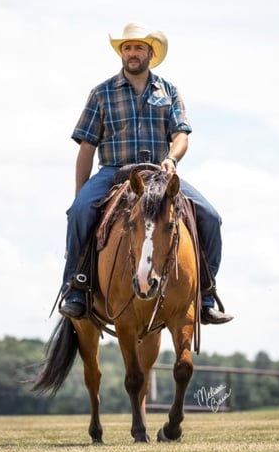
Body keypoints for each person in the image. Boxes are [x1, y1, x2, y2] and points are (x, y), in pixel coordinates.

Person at [58, 22, 233, 325]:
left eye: (138, 47)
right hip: (114, 171)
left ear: (151, 53)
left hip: (158, 173)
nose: (132, 53)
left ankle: (205, 295)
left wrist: (171, 159)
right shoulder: (101, 94)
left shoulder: (168, 91)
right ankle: (75, 287)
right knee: (80, 211)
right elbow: (86, 147)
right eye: (127, 48)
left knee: (211, 217)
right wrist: (80, 194)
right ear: (121, 53)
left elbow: (181, 135)